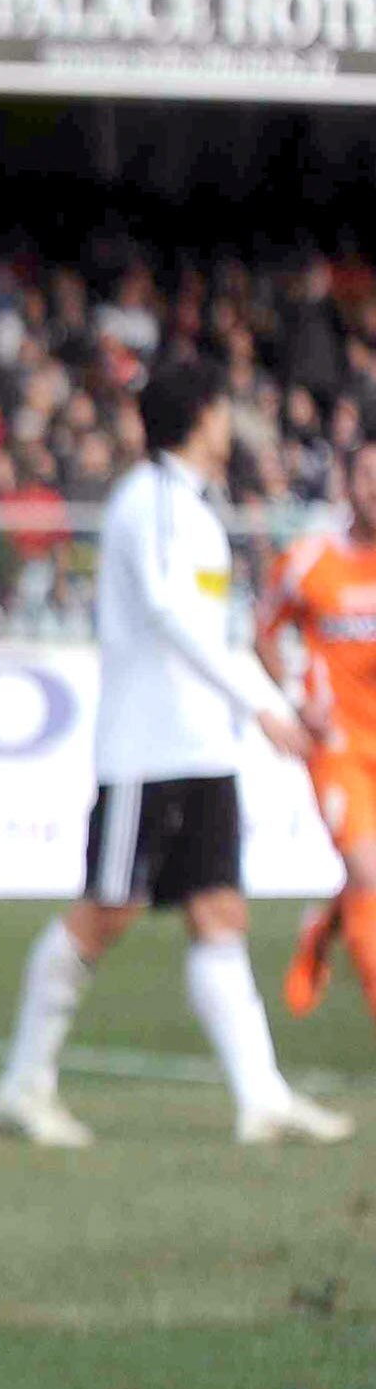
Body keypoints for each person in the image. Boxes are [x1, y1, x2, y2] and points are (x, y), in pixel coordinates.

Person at [0, 359, 351, 1150]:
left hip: (201, 747)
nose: (235, 424)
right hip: (146, 749)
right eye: (226, 410)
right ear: (203, 415)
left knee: (220, 910)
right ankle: (23, 1083)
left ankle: (262, 1098)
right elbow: (167, 611)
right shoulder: (150, 498)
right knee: (105, 911)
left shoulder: (189, 504)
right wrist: (260, 705)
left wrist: (278, 699)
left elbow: (210, 628)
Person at [259, 439, 376, 1029]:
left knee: (368, 874)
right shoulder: (309, 560)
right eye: (368, 474)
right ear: (347, 482)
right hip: (339, 747)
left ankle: (321, 928)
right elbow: (263, 633)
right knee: (370, 874)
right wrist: (294, 700)